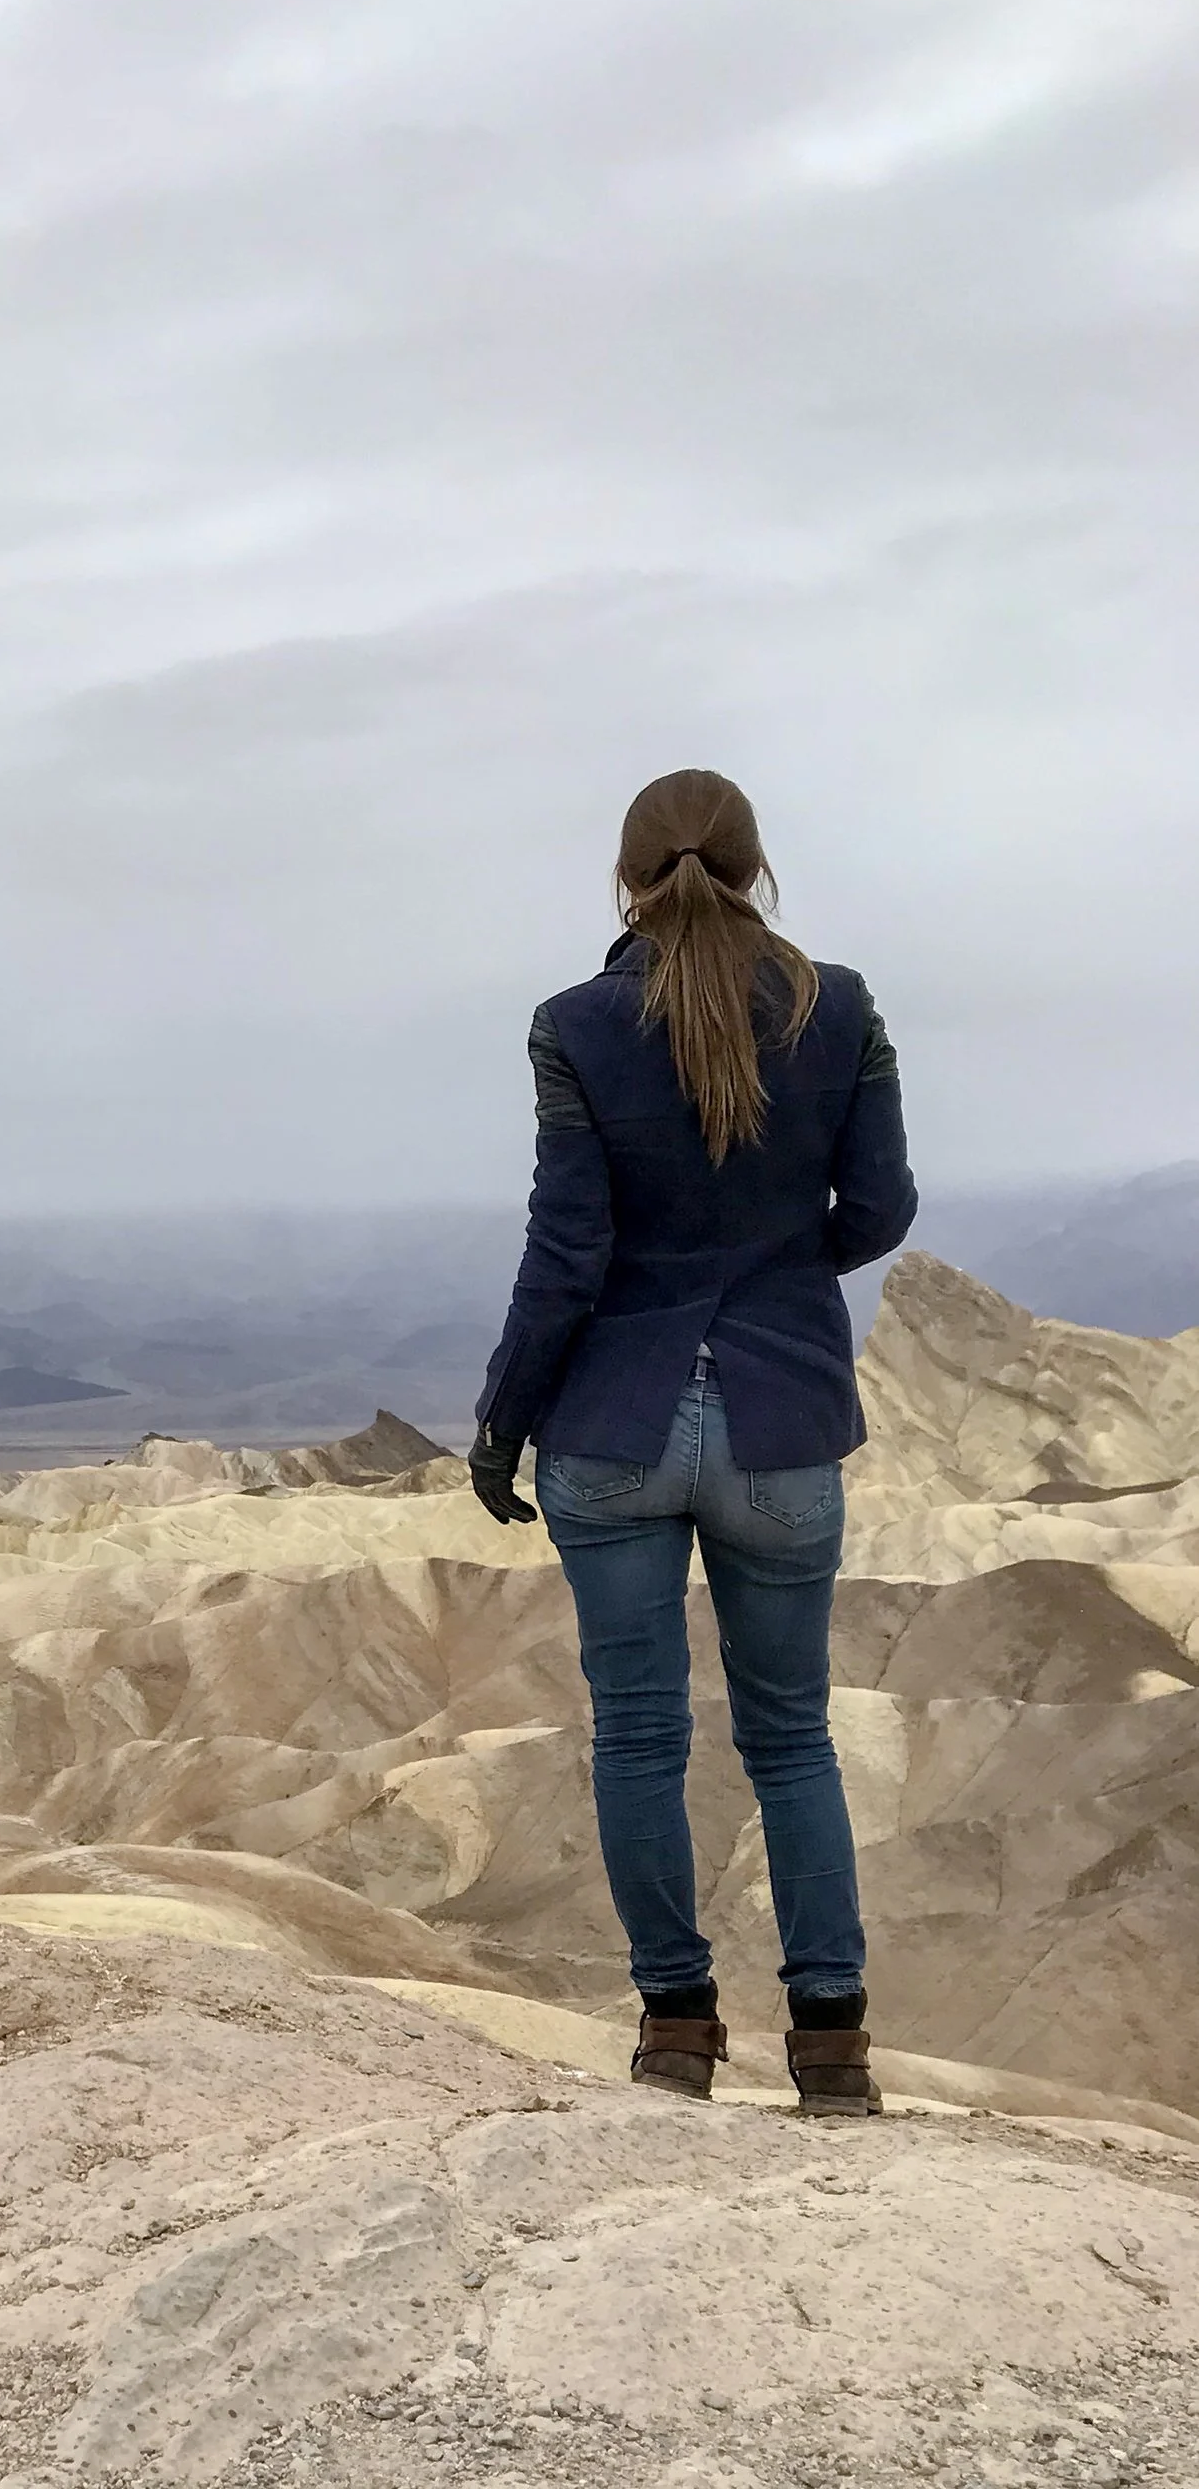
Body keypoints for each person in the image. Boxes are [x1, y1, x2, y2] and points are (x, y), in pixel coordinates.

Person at [468, 767, 917, 2112]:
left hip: (615, 1424)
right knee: (792, 1744)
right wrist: (784, 1272)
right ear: (756, 865)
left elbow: (567, 1255)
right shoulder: (841, 1007)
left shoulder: (572, 1029)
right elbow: (880, 1207)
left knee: (639, 1741)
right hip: (781, 1422)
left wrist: (504, 1421)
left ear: (625, 880)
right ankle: (831, 2048)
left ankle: (675, 2032)